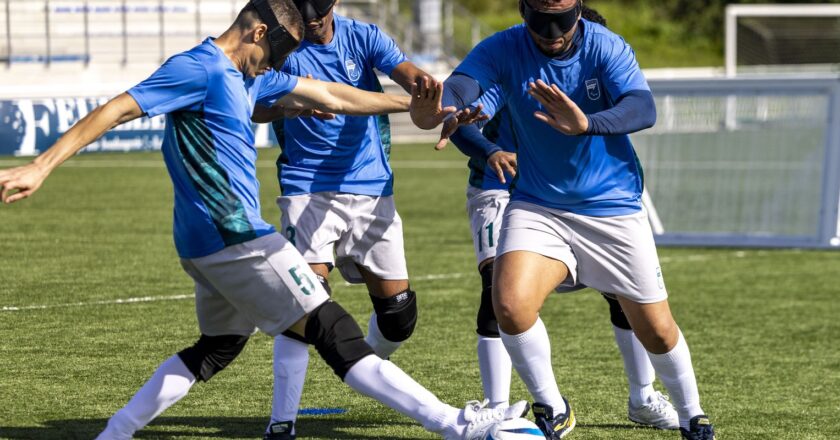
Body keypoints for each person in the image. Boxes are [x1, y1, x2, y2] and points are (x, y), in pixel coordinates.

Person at [0, 1, 522, 439]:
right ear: (255, 32)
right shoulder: (199, 68)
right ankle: (457, 426)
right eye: (275, 52)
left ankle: (113, 434)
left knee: (217, 349)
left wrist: (412, 107)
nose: (276, 64)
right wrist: (42, 165)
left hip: (205, 244)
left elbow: (333, 94)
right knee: (332, 329)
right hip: (237, 238)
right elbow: (117, 108)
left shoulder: (247, 76)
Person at [411, 0, 716, 439]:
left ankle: (691, 414)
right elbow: (464, 86)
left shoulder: (606, 47)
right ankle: (552, 406)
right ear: (523, 12)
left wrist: (585, 123)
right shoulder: (503, 47)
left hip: (611, 208)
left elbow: (643, 109)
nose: (552, 35)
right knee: (510, 304)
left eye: (562, 25)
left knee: (657, 329)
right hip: (538, 204)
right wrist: (440, 107)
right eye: (541, 26)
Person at [249, 1, 437, 437]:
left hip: (373, 190)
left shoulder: (364, 36)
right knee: (303, 304)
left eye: (320, 11)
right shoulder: (279, 45)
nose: (313, 21)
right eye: (304, 11)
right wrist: (290, 105)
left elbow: (410, 75)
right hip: (306, 189)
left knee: (398, 316)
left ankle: (367, 366)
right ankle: (282, 423)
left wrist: (427, 95)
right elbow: (255, 106)